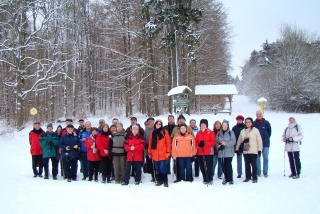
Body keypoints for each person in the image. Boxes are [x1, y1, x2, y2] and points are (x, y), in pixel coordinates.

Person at [236, 117, 262, 183]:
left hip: (253, 150)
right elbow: (239, 140)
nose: (248, 123)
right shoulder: (242, 131)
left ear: (251, 123)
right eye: (246, 122)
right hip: (246, 150)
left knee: (254, 165)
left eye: (249, 122)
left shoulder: (255, 130)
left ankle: (254, 177)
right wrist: (237, 148)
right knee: (247, 165)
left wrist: (259, 150)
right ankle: (248, 177)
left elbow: (259, 141)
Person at [148, 120, 171, 187]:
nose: (158, 125)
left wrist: (168, 152)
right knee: (157, 169)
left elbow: (168, 143)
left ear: (161, 125)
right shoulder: (153, 133)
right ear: (155, 125)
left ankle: (165, 181)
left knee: (163, 168)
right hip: (155, 154)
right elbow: (150, 143)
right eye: (157, 124)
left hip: (163, 154)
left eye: (160, 124)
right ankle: (159, 180)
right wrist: (149, 153)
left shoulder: (164, 132)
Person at [216, 120, 236, 185]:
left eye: (226, 125)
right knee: (223, 166)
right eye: (223, 125)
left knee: (228, 165)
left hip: (229, 152)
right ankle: (225, 177)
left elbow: (233, 142)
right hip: (221, 152)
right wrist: (218, 146)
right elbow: (216, 141)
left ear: (228, 126)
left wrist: (226, 143)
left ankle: (230, 178)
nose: (224, 126)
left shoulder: (231, 132)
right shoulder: (219, 133)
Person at [195, 119, 215, 185]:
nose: (203, 125)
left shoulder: (210, 132)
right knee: (202, 166)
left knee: (209, 166)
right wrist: (199, 145)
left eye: (204, 124)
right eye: (201, 124)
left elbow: (213, 142)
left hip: (208, 152)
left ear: (206, 125)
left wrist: (205, 143)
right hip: (200, 152)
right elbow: (196, 142)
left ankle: (209, 178)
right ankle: (205, 178)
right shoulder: (198, 133)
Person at [254, 110, 272, 177]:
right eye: (257, 114)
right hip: (257, 144)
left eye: (260, 114)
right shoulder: (254, 123)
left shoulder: (266, 123)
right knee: (257, 158)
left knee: (265, 157)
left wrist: (266, 138)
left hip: (265, 144)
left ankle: (265, 172)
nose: (259, 115)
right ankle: (258, 172)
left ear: (262, 114)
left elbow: (269, 132)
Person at [143, 117, 156, 181]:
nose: (150, 122)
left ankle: (155, 174)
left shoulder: (156, 128)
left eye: (152, 121)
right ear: (147, 122)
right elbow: (144, 139)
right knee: (148, 160)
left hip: (155, 147)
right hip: (147, 147)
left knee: (155, 161)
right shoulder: (146, 130)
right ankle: (150, 173)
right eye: (149, 121)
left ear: (154, 122)